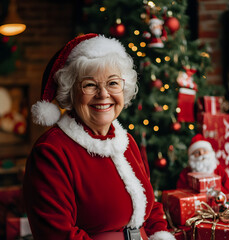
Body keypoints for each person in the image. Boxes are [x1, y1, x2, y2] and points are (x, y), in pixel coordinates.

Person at [23, 34, 175, 240]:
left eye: (113, 83)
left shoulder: (126, 142)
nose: (103, 94)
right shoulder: (51, 152)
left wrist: (161, 235)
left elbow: (151, 206)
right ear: (70, 92)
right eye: (90, 85)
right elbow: (57, 234)